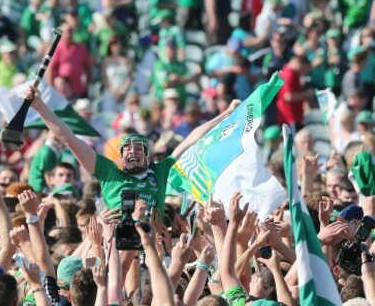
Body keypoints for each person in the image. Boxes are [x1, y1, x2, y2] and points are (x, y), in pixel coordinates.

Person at [23, 81, 237, 211]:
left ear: (148, 157)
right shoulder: (108, 172)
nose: (133, 152)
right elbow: (70, 139)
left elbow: (192, 138)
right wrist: (40, 107)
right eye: (127, 149)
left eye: (138, 149)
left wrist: (226, 114)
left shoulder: (160, 172)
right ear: (120, 156)